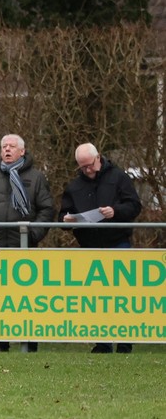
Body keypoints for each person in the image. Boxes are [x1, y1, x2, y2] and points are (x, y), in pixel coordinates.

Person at [0, 134, 55, 353]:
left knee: (27, 300)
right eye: (4, 146)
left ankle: (29, 343)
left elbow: (47, 209)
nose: (7, 149)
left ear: (22, 151)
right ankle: (0, 344)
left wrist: (33, 234)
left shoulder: (36, 178)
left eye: (11, 146)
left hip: (25, 249)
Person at [59, 142, 142, 354]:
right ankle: (102, 342)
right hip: (89, 247)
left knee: (122, 295)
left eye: (90, 165)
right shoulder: (74, 187)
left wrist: (115, 211)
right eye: (83, 167)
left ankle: (124, 341)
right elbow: (62, 215)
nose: (88, 170)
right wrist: (67, 220)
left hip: (118, 242)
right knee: (95, 297)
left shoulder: (119, 177)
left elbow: (134, 205)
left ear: (99, 158)